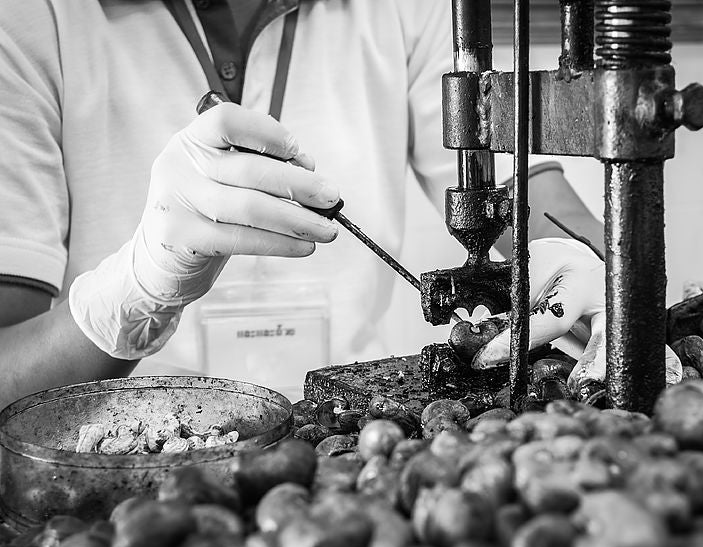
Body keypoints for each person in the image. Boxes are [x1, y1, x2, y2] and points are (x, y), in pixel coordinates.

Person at [0, 0, 622, 409]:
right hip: (123, 476)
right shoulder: (31, 20)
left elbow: (521, 197)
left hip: (356, 446)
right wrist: (129, 295)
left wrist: (597, 274)